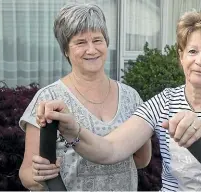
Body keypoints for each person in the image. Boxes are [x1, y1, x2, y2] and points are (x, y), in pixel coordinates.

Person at [36, 9, 201, 191]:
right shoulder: (163, 102)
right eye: (192, 51)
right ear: (181, 56)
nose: (199, 61)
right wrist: (73, 129)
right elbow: (110, 149)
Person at [18, 3, 152, 191]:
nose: (91, 50)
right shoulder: (48, 99)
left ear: (106, 42)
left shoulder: (131, 97)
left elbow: (141, 160)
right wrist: (38, 175)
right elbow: (26, 174)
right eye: (81, 42)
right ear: (66, 50)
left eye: (97, 40)